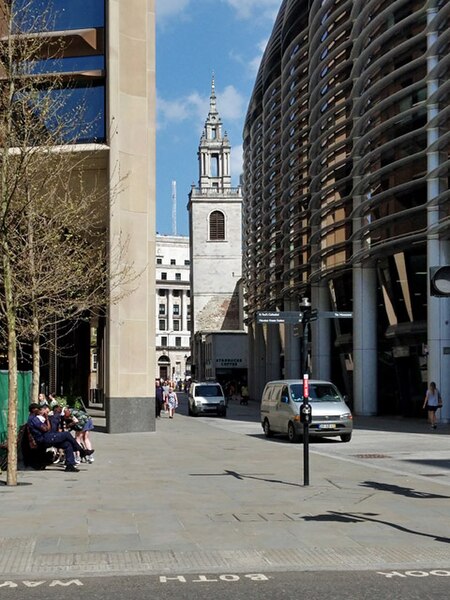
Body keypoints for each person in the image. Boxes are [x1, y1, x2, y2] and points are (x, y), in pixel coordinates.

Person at [27, 403, 93, 472]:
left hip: (47, 437)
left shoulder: (35, 418)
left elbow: (47, 428)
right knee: (66, 434)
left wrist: (46, 419)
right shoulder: (33, 419)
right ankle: (81, 451)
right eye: (38, 409)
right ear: (34, 410)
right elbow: (46, 429)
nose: (40, 410)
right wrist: (46, 419)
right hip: (43, 439)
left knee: (67, 444)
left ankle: (70, 465)